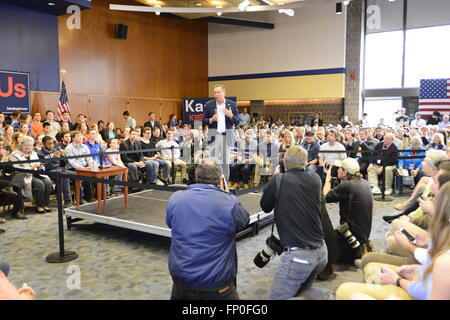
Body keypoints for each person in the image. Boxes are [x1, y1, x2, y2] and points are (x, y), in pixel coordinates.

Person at [166, 161, 249, 300]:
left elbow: (171, 223)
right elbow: (243, 222)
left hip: (182, 282)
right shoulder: (230, 203)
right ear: (220, 179)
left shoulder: (176, 199)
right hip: (218, 285)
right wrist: (227, 194)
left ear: (196, 176)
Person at [260, 146, 327, 300]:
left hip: (299, 255)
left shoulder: (278, 180)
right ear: (305, 162)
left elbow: (265, 206)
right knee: (301, 291)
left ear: (285, 163)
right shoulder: (316, 179)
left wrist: (275, 178)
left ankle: (328, 296)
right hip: (321, 251)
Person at [323, 157, 373, 264]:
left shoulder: (347, 185)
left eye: (339, 168)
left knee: (321, 240)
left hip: (350, 239)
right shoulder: (364, 182)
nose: (337, 170)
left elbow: (325, 196)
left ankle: (354, 255)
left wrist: (328, 177)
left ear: (345, 172)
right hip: (362, 237)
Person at [202, 84, 240, 179]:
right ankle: (211, 183)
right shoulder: (209, 104)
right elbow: (203, 120)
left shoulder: (231, 104)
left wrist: (231, 115)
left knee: (225, 162)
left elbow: (238, 122)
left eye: (218, 92)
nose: (216, 94)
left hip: (226, 136)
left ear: (224, 93)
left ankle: (225, 184)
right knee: (211, 161)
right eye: (215, 92)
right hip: (214, 136)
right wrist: (211, 119)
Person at [9, 136, 53, 214]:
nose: (28, 147)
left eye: (30, 145)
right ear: (21, 145)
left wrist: (40, 166)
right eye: (26, 145)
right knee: (39, 184)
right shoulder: (14, 154)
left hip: (36, 172)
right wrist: (32, 167)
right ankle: (39, 205)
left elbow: (37, 163)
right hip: (24, 175)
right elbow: (17, 168)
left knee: (48, 182)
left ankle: (46, 204)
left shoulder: (34, 153)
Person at [64, 131, 94, 203]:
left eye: (81, 135)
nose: (80, 137)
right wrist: (83, 169)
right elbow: (72, 162)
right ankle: (80, 199)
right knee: (78, 177)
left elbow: (89, 158)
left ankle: (89, 197)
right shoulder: (69, 148)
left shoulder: (85, 146)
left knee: (90, 175)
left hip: (84, 167)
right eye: (78, 136)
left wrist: (90, 166)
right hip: (72, 169)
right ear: (73, 138)